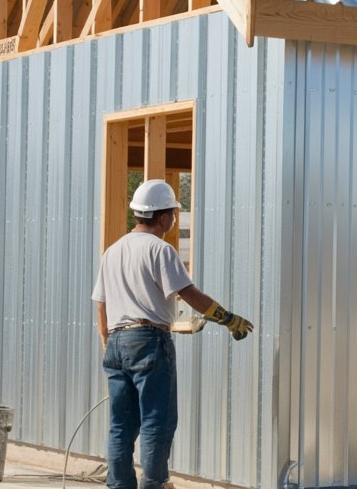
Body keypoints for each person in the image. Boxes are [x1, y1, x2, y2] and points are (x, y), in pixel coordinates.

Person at [92, 180, 253, 489]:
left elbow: (102, 304)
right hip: (149, 342)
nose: (174, 220)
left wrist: (108, 344)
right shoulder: (160, 250)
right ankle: (155, 484)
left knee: (121, 426)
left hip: (115, 342)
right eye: (174, 214)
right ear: (163, 217)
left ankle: (119, 485)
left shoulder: (112, 251)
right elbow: (189, 294)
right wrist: (228, 319)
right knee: (156, 422)